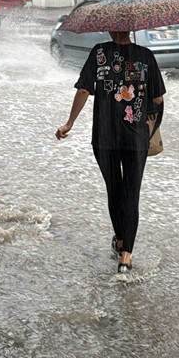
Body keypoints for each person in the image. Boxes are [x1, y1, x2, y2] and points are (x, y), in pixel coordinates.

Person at [56, 31, 165, 274]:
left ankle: (120, 239)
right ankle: (126, 255)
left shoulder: (99, 52)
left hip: (104, 136)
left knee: (115, 189)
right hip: (136, 139)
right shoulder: (146, 56)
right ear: (130, 29)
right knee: (131, 192)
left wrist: (69, 123)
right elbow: (157, 99)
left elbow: (84, 90)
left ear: (110, 28)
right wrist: (144, 118)